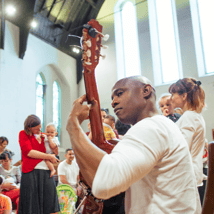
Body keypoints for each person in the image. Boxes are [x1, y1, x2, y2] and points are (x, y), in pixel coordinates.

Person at [66, 76, 201, 214]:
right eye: (112, 97)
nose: (113, 102)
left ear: (146, 91)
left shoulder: (151, 126)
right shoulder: (161, 125)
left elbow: (104, 183)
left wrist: (73, 126)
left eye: (119, 94)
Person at [18, 114, 60, 214]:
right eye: (37, 129)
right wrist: (49, 156)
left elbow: (56, 151)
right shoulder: (23, 134)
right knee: (31, 206)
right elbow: (29, 152)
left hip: (46, 171)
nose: (39, 130)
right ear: (29, 127)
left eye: (40, 127)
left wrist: (51, 142)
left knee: (51, 203)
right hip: (31, 172)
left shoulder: (43, 136)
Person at [169, 78, 206, 188]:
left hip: (187, 176)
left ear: (184, 96)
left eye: (172, 95)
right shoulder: (194, 116)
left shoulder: (189, 117)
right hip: (190, 174)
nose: (171, 99)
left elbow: (182, 149)